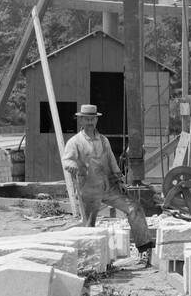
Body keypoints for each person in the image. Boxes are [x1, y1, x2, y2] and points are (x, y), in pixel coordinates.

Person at [62, 104, 155, 261]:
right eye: (86, 119)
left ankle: (144, 246)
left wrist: (120, 180)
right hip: (89, 189)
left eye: (92, 119)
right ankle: (90, 261)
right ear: (81, 120)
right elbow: (67, 160)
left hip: (109, 186)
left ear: (96, 120)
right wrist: (74, 166)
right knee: (89, 225)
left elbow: (112, 161)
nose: (90, 122)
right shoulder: (75, 142)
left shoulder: (104, 140)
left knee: (134, 208)